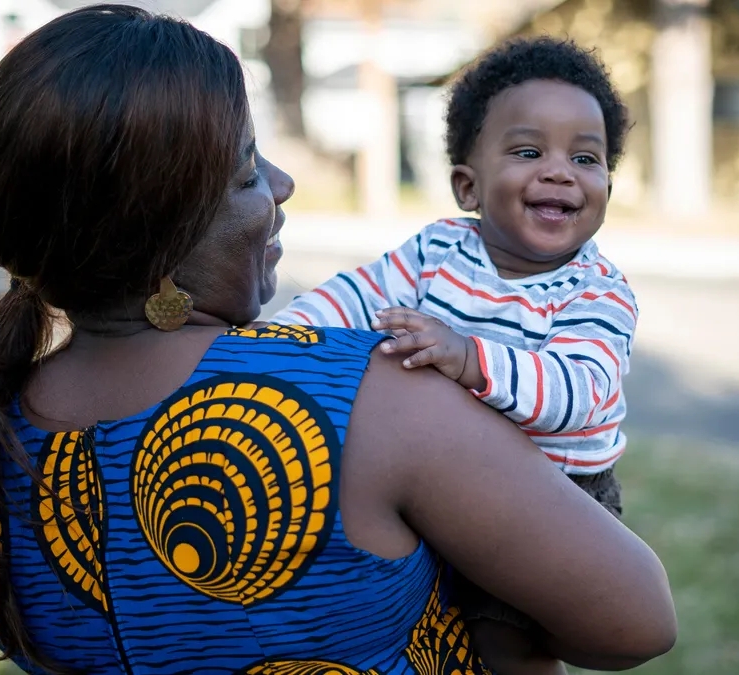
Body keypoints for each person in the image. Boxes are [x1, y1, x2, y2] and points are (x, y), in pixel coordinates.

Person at [0, 6, 676, 675]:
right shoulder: (364, 399)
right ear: (165, 228)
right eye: (247, 171)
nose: (281, 184)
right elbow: (635, 622)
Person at [267, 38, 637, 668]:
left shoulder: (596, 290)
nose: (559, 171)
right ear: (468, 185)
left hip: (554, 492)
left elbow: (576, 394)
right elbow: (356, 299)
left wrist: (470, 358)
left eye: (586, 157)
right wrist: (273, 342)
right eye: (528, 152)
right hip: (446, 480)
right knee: (432, 625)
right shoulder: (437, 250)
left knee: (505, 641)